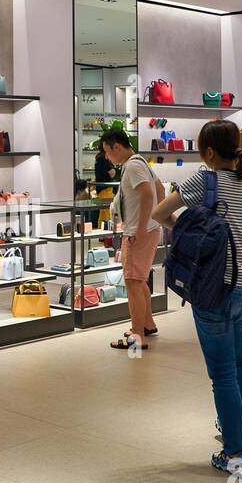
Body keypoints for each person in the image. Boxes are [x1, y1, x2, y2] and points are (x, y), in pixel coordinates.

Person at [151, 119, 242, 476]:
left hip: (217, 291)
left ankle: (236, 453)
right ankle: (232, 428)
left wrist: (188, 229)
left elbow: (159, 213)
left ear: (209, 152)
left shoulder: (204, 180)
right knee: (239, 363)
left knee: (222, 375)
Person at [100, 128, 161, 348]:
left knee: (132, 281)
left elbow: (147, 192)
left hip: (138, 231)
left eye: (108, 152)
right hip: (146, 228)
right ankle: (147, 324)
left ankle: (137, 337)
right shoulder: (139, 162)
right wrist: (156, 219)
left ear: (117, 146)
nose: (108, 157)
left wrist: (141, 226)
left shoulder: (133, 166)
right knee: (139, 278)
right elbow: (159, 189)